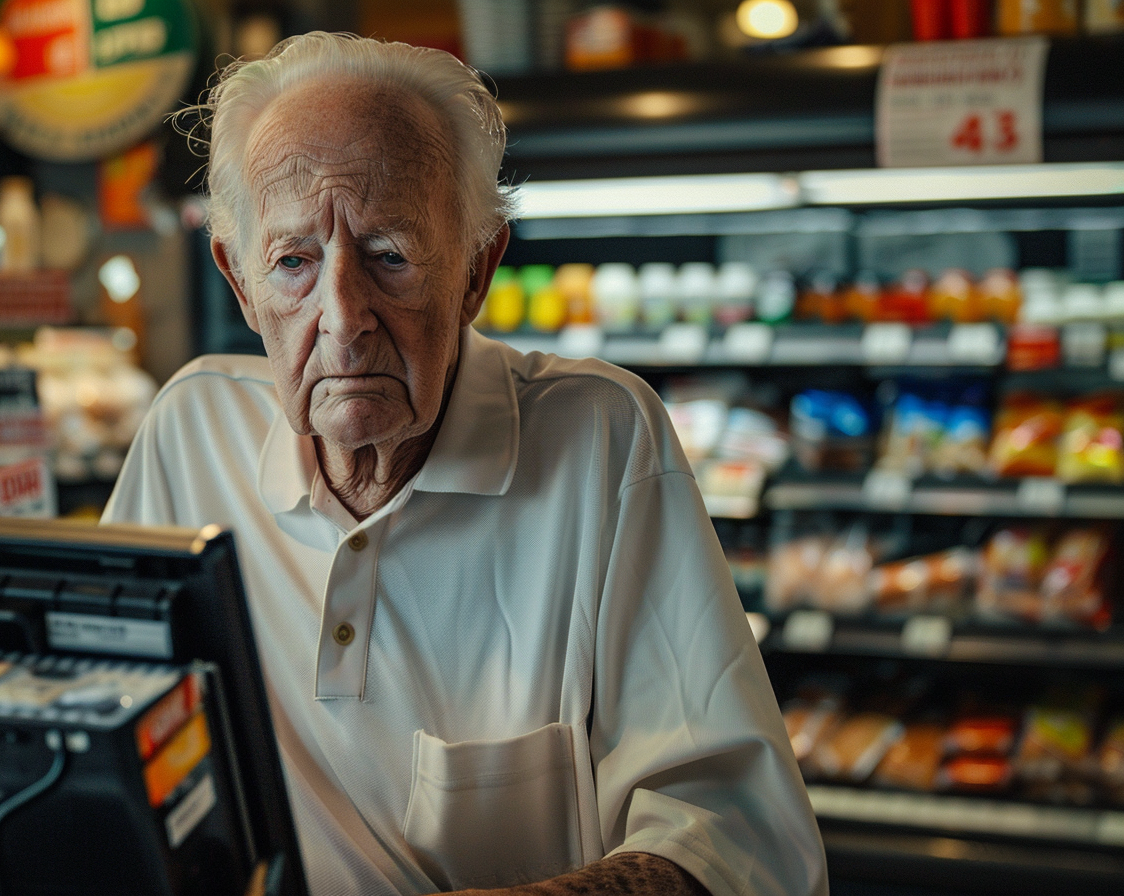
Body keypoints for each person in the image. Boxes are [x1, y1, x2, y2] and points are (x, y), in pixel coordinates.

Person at [102, 31, 827, 896]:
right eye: (294, 262)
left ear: (477, 270)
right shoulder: (191, 431)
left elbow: (744, 849)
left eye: (389, 256)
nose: (343, 316)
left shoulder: (601, 439)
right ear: (239, 283)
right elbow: (109, 730)